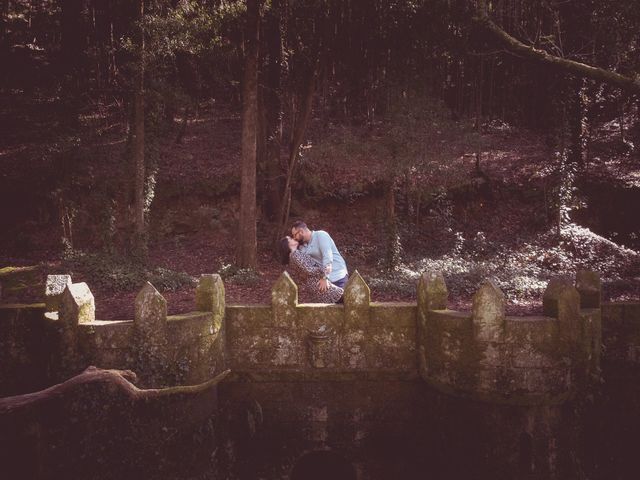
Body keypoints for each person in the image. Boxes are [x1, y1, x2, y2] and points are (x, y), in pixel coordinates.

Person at [278, 236, 344, 303]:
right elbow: (309, 269)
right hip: (318, 283)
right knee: (344, 300)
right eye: (291, 239)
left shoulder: (292, 257)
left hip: (314, 284)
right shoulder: (295, 254)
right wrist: (324, 270)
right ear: (288, 244)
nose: (294, 238)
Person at [290, 220, 349, 292]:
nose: (294, 238)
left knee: (344, 300)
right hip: (323, 281)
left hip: (338, 275)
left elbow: (327, 257)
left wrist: (325, 277)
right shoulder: (302, 247)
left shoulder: (321, 235)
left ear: (301, 231)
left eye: (295, 235)